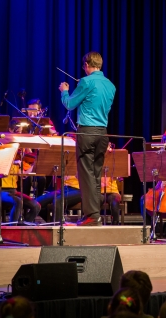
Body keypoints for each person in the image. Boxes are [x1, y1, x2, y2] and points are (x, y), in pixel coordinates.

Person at [59, 51, 116, 226]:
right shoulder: (110, 85)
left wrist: (65, 91)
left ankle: (92, 216)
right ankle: (94, 214)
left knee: (85, 175)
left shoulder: (86, 81)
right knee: (95, 175)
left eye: (84, 66)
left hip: (87, 132)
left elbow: (69, 104)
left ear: (87, 64)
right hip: (102, 133)